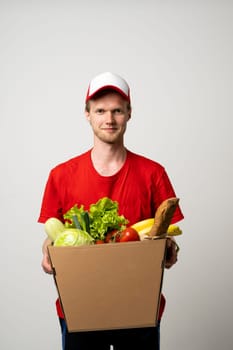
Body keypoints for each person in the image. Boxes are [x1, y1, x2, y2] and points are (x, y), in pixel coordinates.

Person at [38, 71, 184, 350]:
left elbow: (166, 237)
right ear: (87, 114)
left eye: (117, 110)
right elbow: (51, 235)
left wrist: (169, 250)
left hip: (139, 310)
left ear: (129, 113)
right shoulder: (61, 175)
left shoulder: (153, 173)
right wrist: (48, 252)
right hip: (80, 308)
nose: (109, 119)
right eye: (101, 110)